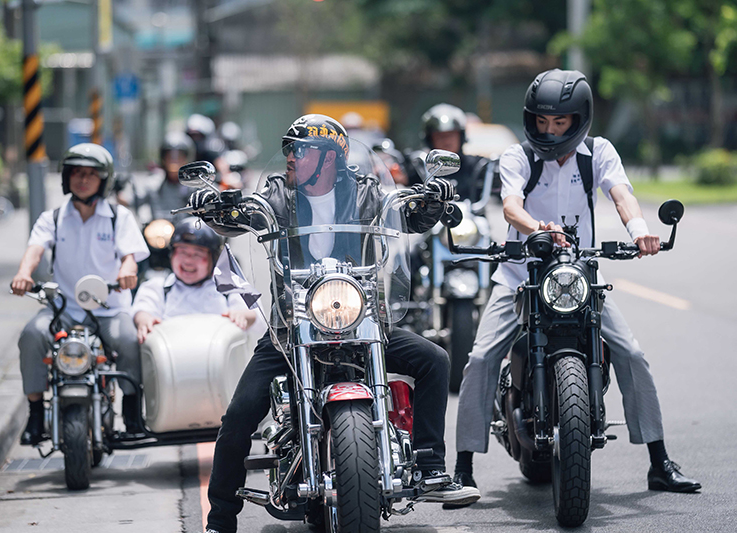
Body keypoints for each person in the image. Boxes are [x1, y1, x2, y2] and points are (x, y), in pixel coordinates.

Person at [190, 114, 480, 533]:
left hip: (363, 320)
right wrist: (217, 207)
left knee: (434, 358)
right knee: (238, 416)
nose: (291, 157)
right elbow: (240, 219)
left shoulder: (365, 192)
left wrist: (430, 200)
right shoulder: (276, 195)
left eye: (300, 150)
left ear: (329, 158)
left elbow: (409, 217)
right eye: (289, 149)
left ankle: (432, 467)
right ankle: (220, 518)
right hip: (293, 328)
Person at [448, 69, 701, 509]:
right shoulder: (517, 156)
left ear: (579, 119)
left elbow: (621, 194)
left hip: (578, 276)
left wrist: (640, 230)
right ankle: (463, 468)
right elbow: (511, 207)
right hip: (520, 276)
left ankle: (659, 462)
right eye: (543, 121)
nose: (549, 130)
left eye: (560, 122)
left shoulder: (597, 153)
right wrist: (536, 228)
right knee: (480, 357)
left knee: (631, 353)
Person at [11, 143, 150, 441]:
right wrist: (23, 274)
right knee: (31, 335)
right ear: (66, 178)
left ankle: (132, 412)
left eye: (90, 174)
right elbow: (35, 249)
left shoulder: (118, 216)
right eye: (76, 173)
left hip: (110, 309)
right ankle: (35, 415)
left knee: (129, 340)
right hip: (63, 310)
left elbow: (130, 255)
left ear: (104, 179)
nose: (83, 179)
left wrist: (128, 269)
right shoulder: (54, 217)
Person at [131, 217, 262, 343]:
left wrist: (243, 315)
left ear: (214, 259)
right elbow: (142, 309)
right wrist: (144, 319)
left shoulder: (232, 285)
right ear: (172, 254)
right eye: (182, 252)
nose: (188, 260)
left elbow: (258, 316)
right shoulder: (157, 287)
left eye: (197, 254)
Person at [407, 103, 488, 203]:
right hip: (432, 218)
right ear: (430, 140)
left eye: (451, 135)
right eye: (440, 136)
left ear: (461, 136)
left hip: (472, 216)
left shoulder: (477, 165)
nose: (446, 141)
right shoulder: (420, 167)